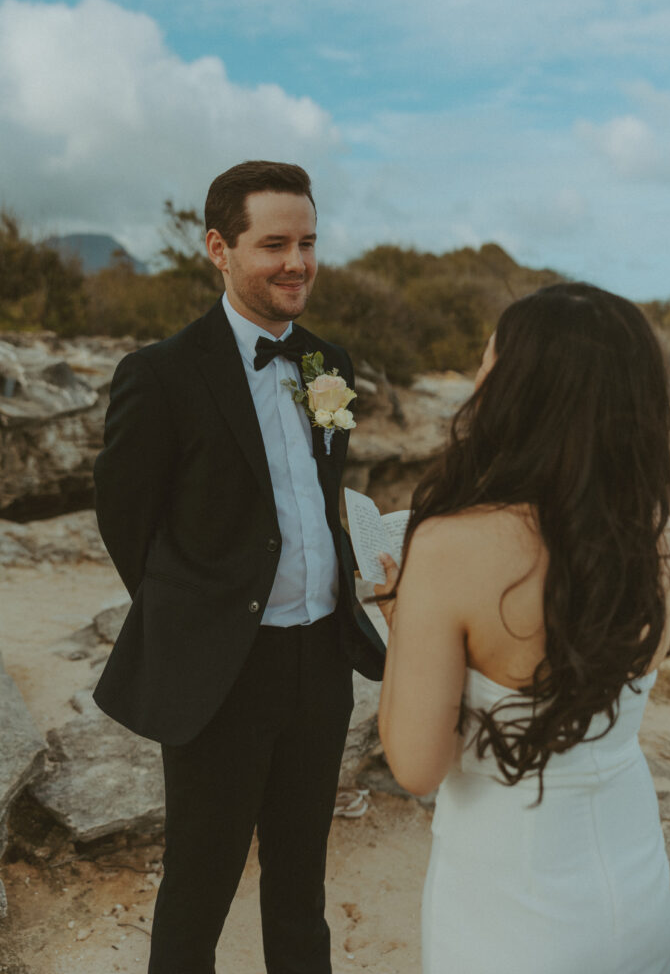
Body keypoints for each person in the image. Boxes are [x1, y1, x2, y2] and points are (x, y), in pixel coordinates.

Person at [93, 160, 385, 974]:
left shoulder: (332, 366)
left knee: (300, 890)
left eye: (308, 242)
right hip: (224, 673)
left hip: (321, 663)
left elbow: (324, 492)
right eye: (275, 244)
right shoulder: (160, 374)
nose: (298, 262)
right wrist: (201, 616)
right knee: (198, 886)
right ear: (220, 248)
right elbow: (124, 519)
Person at [375, 283, 670, 974]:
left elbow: (416, 767)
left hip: (511, 906)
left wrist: (404, 627)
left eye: (489, 363)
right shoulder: (657, 538)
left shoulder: (453, 546)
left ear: (517, 388)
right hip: (632, 885)